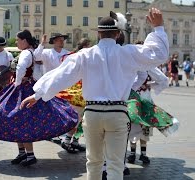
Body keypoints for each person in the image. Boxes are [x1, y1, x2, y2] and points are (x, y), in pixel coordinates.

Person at [20, 8, 169, 179]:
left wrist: (37, 95)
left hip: (93, 114)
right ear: (118, 34)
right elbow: (158, 54)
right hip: (117, 113)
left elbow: (61, 75)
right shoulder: (128, 53)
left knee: (94, 163)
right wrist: (158, 28)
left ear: (98, 34)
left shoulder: (85, 55)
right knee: (115, 164)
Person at [0, 30, 78, 167]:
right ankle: (23, 152)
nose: (16, 42)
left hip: (23, 89)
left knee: (21, 120)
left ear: (24, 41)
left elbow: (22, 67)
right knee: (18, 120)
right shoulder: (30, 52)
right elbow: (32, 62)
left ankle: (29, 154)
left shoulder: (25, 53)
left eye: (18, 40)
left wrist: (16, 84)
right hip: (27, 87)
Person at [56, 38, 91, 153]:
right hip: (77, 91)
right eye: (88, 46)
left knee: (79, 117)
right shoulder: (82, 57)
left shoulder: (69, 55)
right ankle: (67, 140)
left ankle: (73, 140)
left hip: (71, 89)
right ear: (85, 46)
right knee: (78, 116)